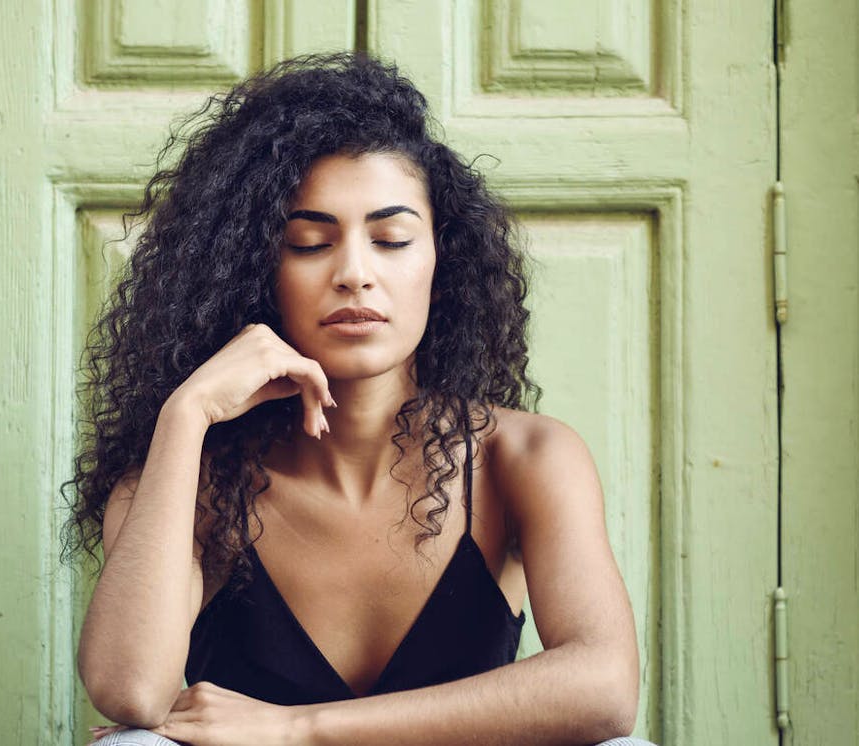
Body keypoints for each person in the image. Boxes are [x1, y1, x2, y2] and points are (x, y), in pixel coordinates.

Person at [62, 52, 655, 746]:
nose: (354, 273)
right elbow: (131, 692)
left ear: (442, 263)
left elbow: (606, 689)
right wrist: (186, 414)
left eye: (390, 239)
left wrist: (299, 729)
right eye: (309, 243)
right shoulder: (190, 481)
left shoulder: (524, 456)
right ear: (256, 271)